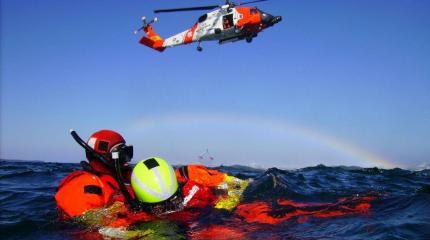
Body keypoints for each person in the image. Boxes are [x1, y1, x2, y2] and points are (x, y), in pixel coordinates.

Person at [55, 129, 134, 218]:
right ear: (103, 157)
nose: (127, 160)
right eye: (121, 155)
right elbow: (88, 224)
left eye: (128, 153)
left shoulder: (126, 177)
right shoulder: (84, 185)